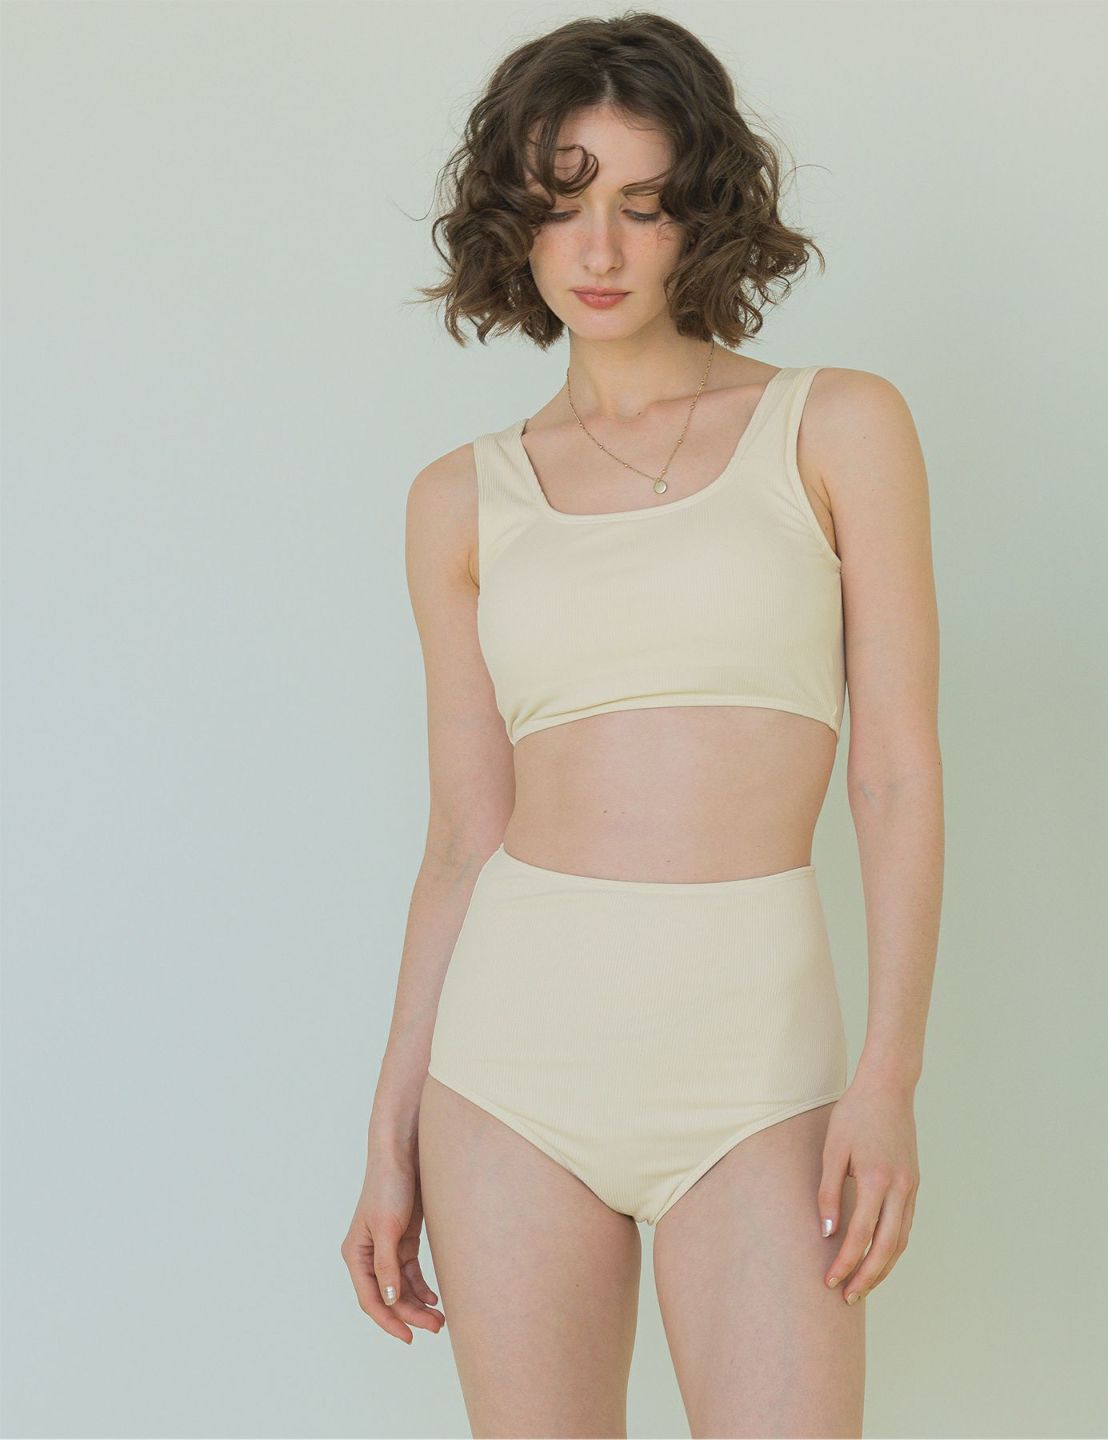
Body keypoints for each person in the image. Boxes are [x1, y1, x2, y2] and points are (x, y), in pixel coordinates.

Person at [342, 12, 943, 1437]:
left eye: (644, 203)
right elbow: (462, 834)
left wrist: (889, 1079)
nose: (599, 250)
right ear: (513, 222)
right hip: (509, 1070)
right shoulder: (459, 499)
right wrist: (390, 1130)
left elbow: (896, 778)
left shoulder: (837, 426)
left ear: (704, 214)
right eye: (562, 205)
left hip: (760, 1072)